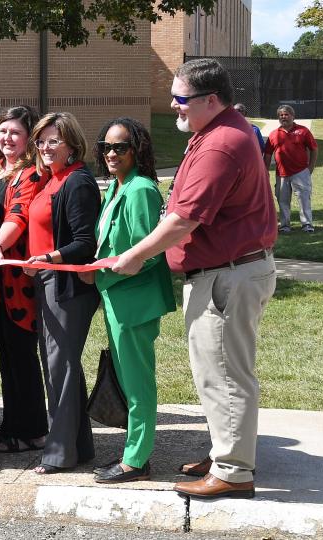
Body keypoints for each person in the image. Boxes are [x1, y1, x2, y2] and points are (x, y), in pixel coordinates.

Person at [113, 58, 277, 500]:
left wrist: (132, 256)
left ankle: (234, 472)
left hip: (227, 276)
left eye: (181, 99)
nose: (173, 105)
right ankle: (226, 451)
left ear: (210, 100)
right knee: (218, 371)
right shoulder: (219, 132)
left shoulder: (221, 144)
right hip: (226, 272)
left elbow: (183, 220)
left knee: (224, 374)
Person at [85, 118, 176, 484]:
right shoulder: (115, 188)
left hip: (133, 301)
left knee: (138, 383)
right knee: (127, 379)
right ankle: (132, 450)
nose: (111, 153)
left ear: (136, 150)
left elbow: (148, 252)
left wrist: (108, 269)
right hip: (115, 296)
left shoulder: (139, 190)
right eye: (106, 146)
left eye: (120, 147)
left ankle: (136, 460)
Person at [23, 112, 101, 475]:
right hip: (46, 280)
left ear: (72, 143)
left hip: (66, 285)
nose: (45, 147)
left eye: (53, 140)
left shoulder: (78, 182)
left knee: (61, 369)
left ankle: (58, 453)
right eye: (40, 141)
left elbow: (85, 243)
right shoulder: (50, 180)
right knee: (60, 366)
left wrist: (48, 258)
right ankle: (79, 446)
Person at [0, 106, 49, 453]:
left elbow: (18, 215)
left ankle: (33, 428)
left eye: (15, 133)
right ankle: (11, 424)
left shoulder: (30, 175)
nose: (7, 138)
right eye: (3, 131)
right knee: (5, 356)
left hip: (17, 280)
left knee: (21, 356)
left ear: (28, 140)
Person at [264, 104, 318, 234]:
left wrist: (310, 167)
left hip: (300, 172)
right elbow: (267, 154)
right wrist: (265, 171)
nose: (284, 117)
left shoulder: (303, 131)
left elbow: (314, 149)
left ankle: (307, 225)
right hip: (281, 174)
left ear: (292, 116)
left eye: (286, 114)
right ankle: (285, 226)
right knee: (282, 201)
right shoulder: (273, 134)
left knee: (304, 199)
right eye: (281, 115)